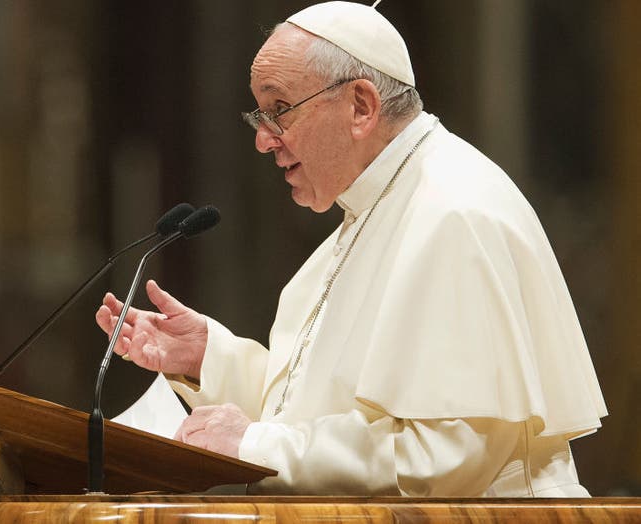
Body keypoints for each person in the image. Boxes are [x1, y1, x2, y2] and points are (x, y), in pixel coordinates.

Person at [95, 1, 606, 496]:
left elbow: (442, 455)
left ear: (361, 106)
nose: (263, 140)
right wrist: (210, 358)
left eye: (280, 110)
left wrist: (254, 445)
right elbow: (323, 411)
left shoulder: (452, 213)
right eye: (260, 115)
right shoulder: (378, 208)